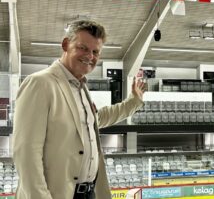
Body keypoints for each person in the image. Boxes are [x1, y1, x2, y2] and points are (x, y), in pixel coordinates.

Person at [12, 20, 145, 199]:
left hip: (89, 193)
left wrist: (134, 101)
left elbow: (96, 120)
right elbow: (26, 152)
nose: (90, 56)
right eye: (83, 48)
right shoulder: (40, 83)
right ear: (66, 45)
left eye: (95, 51)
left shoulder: (80, 87)